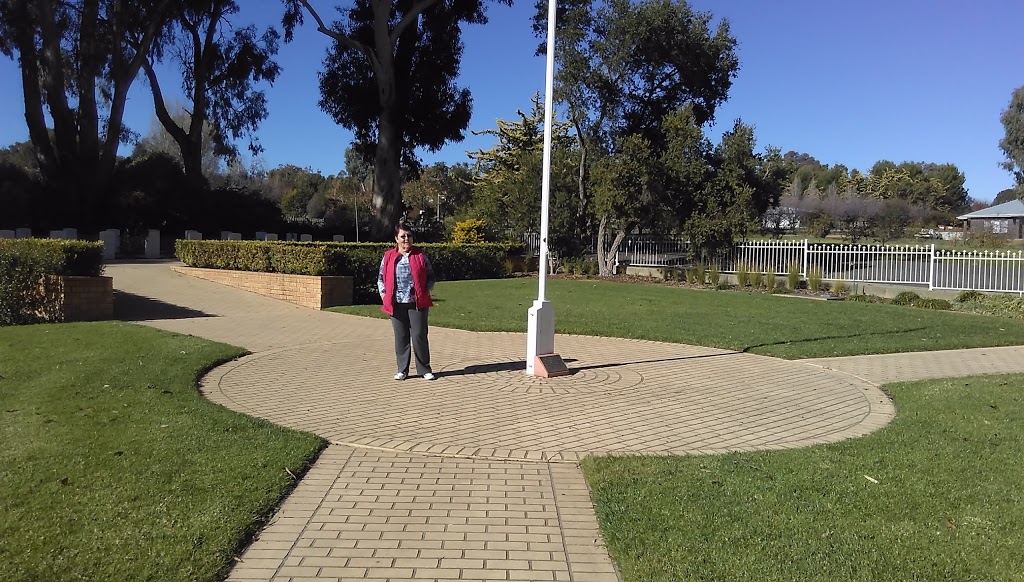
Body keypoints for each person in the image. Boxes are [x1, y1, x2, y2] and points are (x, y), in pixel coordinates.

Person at [377, 222, 436, 380]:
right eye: (402, 236)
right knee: (401, 337)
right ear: (396, 238)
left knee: (419, 336)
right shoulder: (389, 256)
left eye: (409, 236)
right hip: (396, 304)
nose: (406, 239)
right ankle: (402, 370)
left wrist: (427, 290)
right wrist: (384, 295)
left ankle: (424, 369)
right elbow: (381, 278)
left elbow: (431, 276)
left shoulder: (420, 255)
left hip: (417, 303)